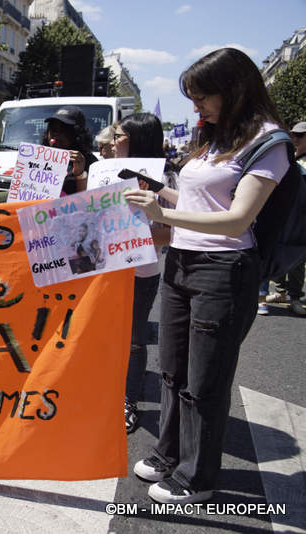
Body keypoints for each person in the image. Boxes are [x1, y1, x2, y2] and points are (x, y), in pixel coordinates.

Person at [125, 48, 290, 504]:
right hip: (182, 263)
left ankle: (198, 476)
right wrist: (158, 192)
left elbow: (237, 219)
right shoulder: (218, 137)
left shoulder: (269, 142)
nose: (195, 107)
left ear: (232, 90)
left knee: (205, 379)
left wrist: (164, 215)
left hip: (223, 271)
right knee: (173, 371)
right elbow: (203, 201)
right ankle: (168, 453)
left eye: (201, 98)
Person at [114, 112, 177, 434]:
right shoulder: (102, 171)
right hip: (101, 275)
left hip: (140, 274)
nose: (112, 142)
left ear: (136, 139)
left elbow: (173, 234)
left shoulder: (164, 180)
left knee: (134, 341)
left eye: (119, 136)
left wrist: (131, 234)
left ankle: (128, 400)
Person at [262, 120, 306, 316]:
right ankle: (277, 292)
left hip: (301, 215)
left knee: (297, 253)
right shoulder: (286, 156)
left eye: (300, 136)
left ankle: (295, 297)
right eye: (294, 135)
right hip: (282, 213)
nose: (295, 139)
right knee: (270, 248)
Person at [42, 106, 98, 194]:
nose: (55, 135)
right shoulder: (39, 158)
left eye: (63, 131)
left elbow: (91, 198)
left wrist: (80, 174)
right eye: (53, 130)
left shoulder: (90, 162)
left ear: (77, 134)